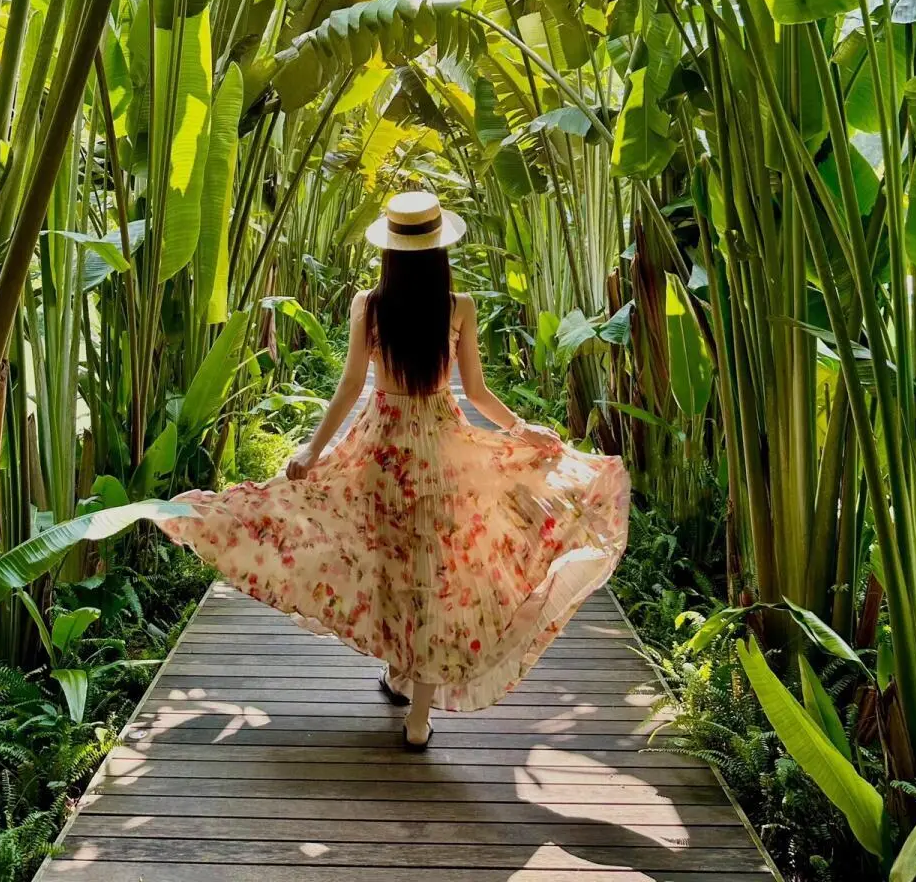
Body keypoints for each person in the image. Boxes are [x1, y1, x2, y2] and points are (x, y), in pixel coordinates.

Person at [159, 190, 630, 749]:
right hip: (442, 452)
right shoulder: (459, 305)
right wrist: (521, 430)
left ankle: (403, 678)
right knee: (437, 578)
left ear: (389, 251)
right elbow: (475, 391)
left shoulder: (370, 304)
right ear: (438, 250)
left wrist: (313, 450)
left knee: (391, 564)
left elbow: (352, 387)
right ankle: (416, 712)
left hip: (381, 452)